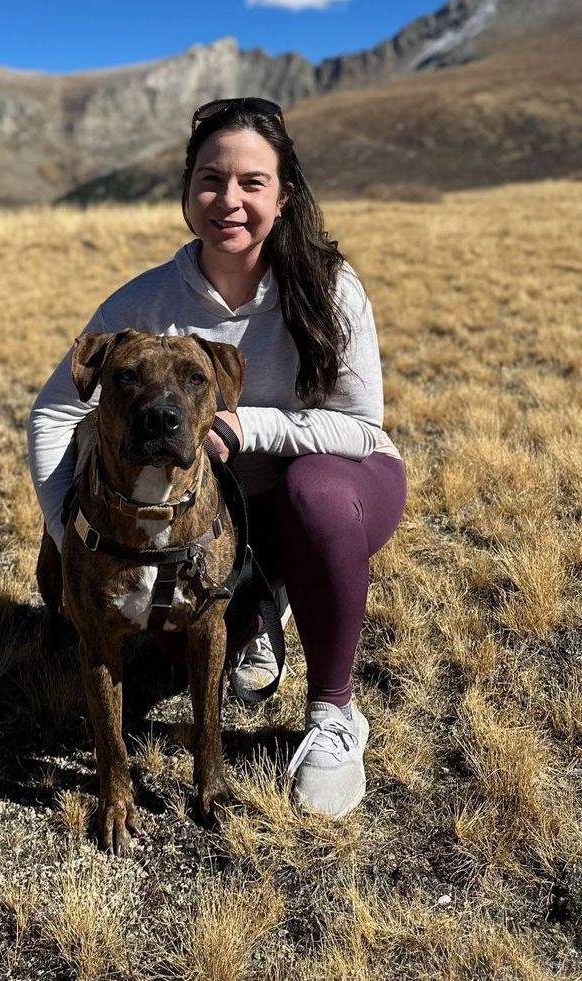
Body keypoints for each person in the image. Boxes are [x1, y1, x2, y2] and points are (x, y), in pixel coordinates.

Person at [27, 97, 406, 817]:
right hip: (203, 511)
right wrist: (68, 537)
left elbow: (361, 425)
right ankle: (254, 608)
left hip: (331, 486)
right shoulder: (146, 299)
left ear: (283, 193)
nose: (227, 200)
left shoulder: (328, 287)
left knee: (315, 495)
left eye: (251, 182)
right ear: (185, 188)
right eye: (209, 180)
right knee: (175, 646)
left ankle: (331, 714)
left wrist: (248, 424)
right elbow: (53, 410)